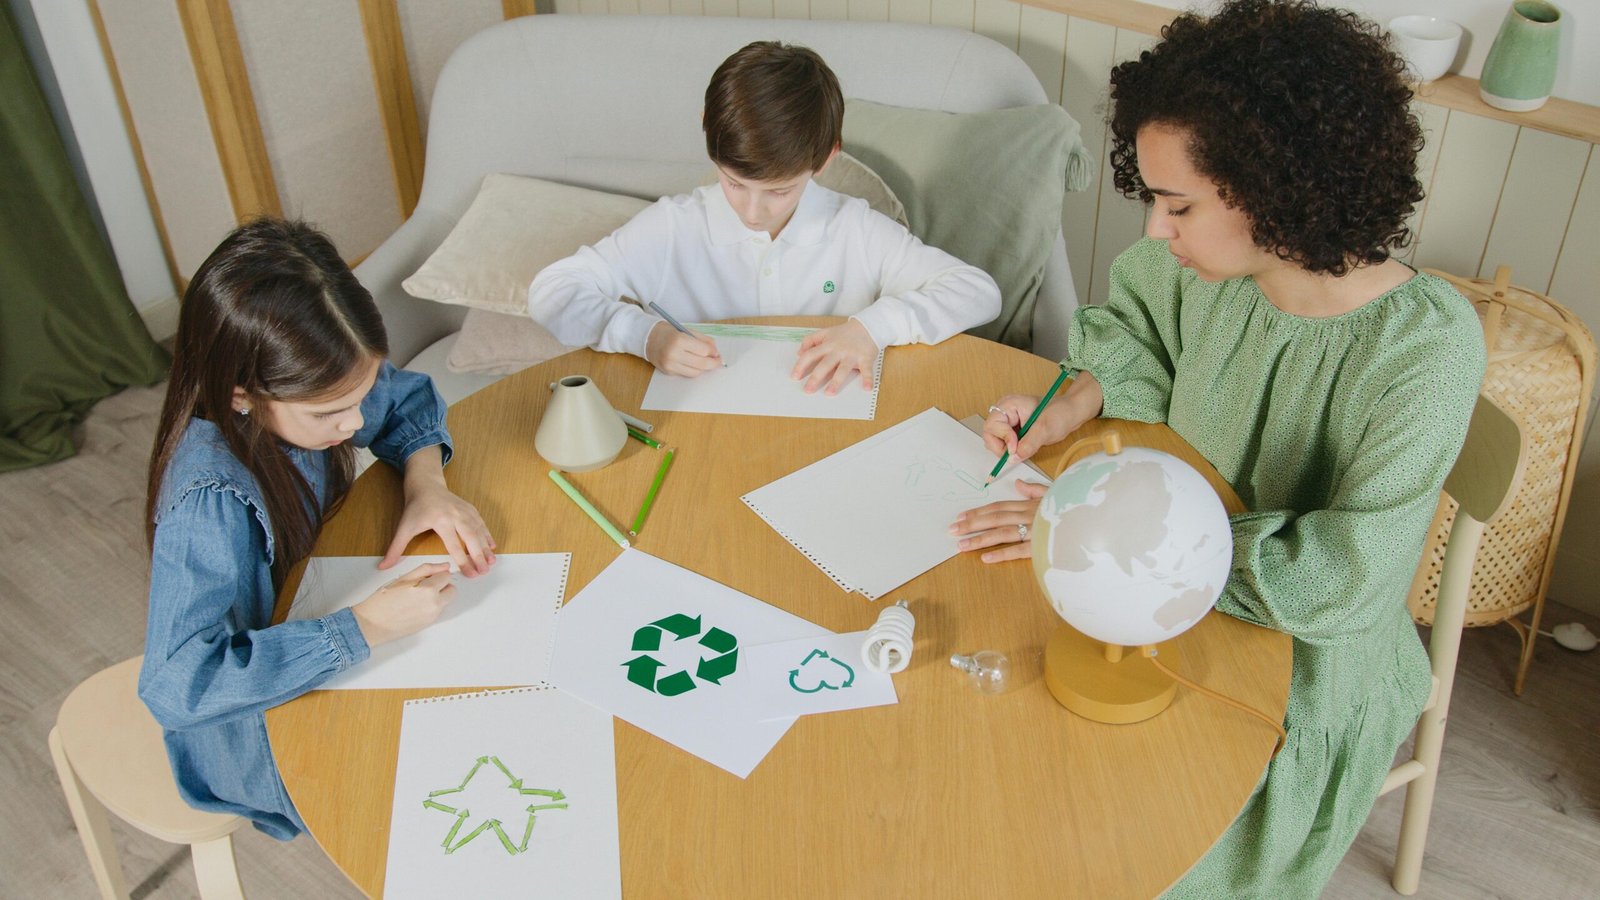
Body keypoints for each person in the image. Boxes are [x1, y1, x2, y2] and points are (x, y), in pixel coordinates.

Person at [951, 1, 1485, 895]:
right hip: (1157, 604)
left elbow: (1346, 578)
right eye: (1155, 199)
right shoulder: (1208, 269)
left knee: (1118, 854)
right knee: (1003, 781)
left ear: (1277, 186)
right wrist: (1066, 404)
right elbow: (1136, 335)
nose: (1157, 230)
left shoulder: (1424, 351)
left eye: (1179, 205)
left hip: (1295, 670)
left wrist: (1118, 536)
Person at [138, 218, 496, 839]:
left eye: (357, 396)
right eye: (331, 411)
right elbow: (177, 688)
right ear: (242, 395)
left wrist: (426, 485)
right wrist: (365, 627)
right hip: (257, 735)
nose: (355, 422)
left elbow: (406, 399)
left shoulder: (310, 389)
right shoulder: (209, 503)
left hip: (321, 621)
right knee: (457, 788)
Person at [528, 40, 1000, 396]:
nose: (752, 212)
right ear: (707, 131)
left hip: (827, 428)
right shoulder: (673, 228)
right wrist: (644, 336)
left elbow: (976, 292)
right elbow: (552, 292)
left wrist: (871, 328)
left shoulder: (855, 229)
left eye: (779, 191)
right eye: (735, 184)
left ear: (827, 158)